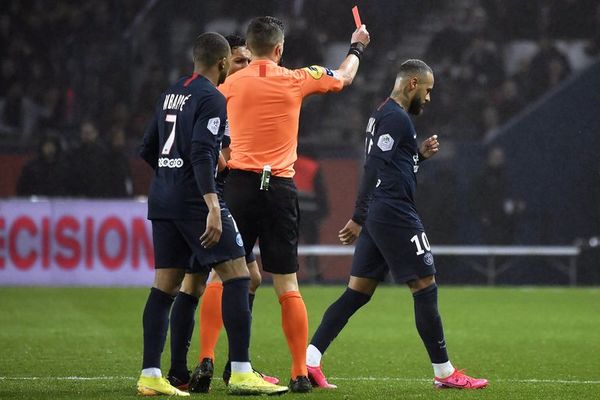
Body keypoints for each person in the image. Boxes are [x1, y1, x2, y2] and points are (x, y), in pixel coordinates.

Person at [305, 59, 488, 390]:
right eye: (428, 91)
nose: (430, 99)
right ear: (412, 85)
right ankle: (445, 373)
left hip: (381, 211)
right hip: (393, 212)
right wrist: (358, 216)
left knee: (357, 293)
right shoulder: (395, 117)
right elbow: (373, 166)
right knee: (425, 285)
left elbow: (393, 164)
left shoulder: (384, 113)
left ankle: (310, 361)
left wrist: (418, 154)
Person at [217, 16, 370, 393]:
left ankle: (211, 362)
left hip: (237, 186)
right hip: (280, 189)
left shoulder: (227, 85)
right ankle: (300, 372)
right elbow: (345, 76)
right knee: (287, 283)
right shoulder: (298, 78)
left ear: (248, 50)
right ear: (280, 49)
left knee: (228, 278)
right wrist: (357, 46)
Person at [136, 32, 288, 396]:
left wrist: (171, 174)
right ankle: (240, 371)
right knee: (239, 276)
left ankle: (151, 375)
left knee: (165, 285)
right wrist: (212, 205)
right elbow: (204, 153)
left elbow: (147, 148)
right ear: (222, 64)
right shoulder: (211, 97)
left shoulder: (170, 92)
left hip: (163, 199)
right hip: (194, 201)